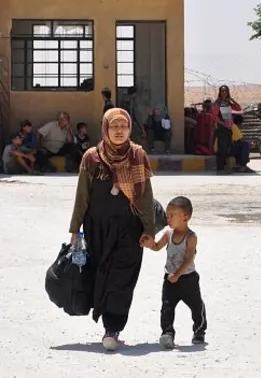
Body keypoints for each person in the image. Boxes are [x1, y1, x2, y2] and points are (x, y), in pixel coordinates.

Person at [68, 108, 155, 352]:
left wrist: (149, 229)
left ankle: (112, 327)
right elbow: (82, 196)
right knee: (102, 274)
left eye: (123, 126)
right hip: (98, 228)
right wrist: (75, 228)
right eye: (114, 126)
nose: (119, 131)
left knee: (122, 277)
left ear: (130, 129)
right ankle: (107, 320)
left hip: (130, 228)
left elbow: (145, 196)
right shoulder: (92, 157)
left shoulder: (138, 155)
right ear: (105, 129)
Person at [142, 196, 207, 348]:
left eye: (172, 215)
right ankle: (167, 333)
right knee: (166, 307)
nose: (168, 218)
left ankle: (199, 331)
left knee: (196, 306)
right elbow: (157, 247)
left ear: (185, 217)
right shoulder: (168, 233)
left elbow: (189, 259)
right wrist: (149, 243)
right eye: (167, 215)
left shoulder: (191, 237)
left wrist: (177, 275)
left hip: (188, 279)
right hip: (169, 279)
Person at [212, 85, 242, 172]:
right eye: (222, 91)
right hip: (221, 129)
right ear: (220, 92)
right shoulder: (218, 103)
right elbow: (214, 116)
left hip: (228, 128)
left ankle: (224, 166)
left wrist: (232, 100)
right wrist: (223, 123)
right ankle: (220, 168)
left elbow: (238, 108)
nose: (224, 93)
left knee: (227, 148)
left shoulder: (227, 102)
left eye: (226, 91)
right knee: (222, 149)